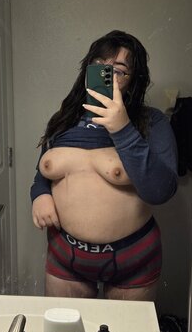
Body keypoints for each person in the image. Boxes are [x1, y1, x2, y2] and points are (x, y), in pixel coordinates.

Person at [31, 30, 178, 301]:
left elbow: (161, 191)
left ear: (134, 80)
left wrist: (122, 128)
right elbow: (43, 172)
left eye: (119, 70)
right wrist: (40, 195)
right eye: (99, 65)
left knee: (127, 331)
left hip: (133, 260)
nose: (107, 74)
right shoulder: (63, 119)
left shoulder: (152, 122)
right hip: (66, 257)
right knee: (64, 330)